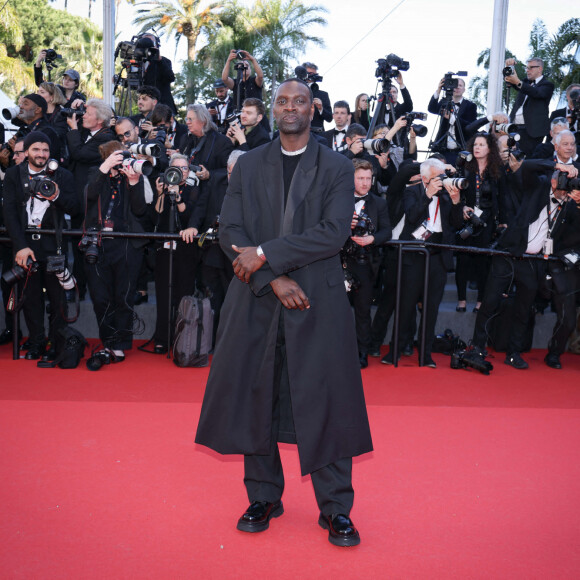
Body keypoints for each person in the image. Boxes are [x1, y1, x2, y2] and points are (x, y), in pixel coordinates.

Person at [194, 78, 372, 547]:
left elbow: (334, 234)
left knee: (327, 398)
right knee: (258, 395)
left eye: (298, 101)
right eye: (281, 101)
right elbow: (229, 229)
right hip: (256, 294)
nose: (290, 108)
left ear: (313, 110)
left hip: (319, 299)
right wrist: (271, 276)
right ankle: (264, 496)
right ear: (272, 110)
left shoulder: (335, 166)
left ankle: (336, 508)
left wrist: (268, 254)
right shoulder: (249, 164)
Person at [2, 132, 80, 360]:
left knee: (57, 299)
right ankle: (36, 341)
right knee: (30, 297)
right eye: (36, 149)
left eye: (45, 150)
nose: (41, 154)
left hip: (53, 246)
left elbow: (75, 208)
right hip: (25, 246)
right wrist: (20, 246)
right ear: (26, 152)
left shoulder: (62, 175)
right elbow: (10, 215)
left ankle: (57, 343)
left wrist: (55, 196)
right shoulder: (13, 175)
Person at [382, 158, 463, 367]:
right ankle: (395, 352)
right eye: (438, 177)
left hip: (437, 257)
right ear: (425, 178)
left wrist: (456, 201)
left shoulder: (446, 194)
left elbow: (456, 223)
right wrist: (428, 195)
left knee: (431, 310)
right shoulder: (412, 192)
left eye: (443, 177)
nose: (442, 181)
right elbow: (412, 217)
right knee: (405, 307)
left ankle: (425, 355)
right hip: (413, 256)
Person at [83, 140, 148, 363]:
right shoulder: (96, 174)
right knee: (101, 297)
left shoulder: (131, 176)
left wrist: (134, 181)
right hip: (98, 242)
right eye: (116, 156)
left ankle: (119, 344)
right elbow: (88, 196)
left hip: (126, 244)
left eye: (124, 155)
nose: (122, 160)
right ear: (106, 157)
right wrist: (105, 168)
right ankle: (108, 339)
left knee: (124, 296)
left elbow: (140, 210)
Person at [150, 154, 207, 353]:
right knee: (163, 294)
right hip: (164, 249)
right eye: (177, 167)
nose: (181, 171)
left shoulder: (194, 190)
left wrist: (178, 196)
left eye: (185, 168)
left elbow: (191, 217)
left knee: (183, 294)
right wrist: (161, 194)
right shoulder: (162, 187)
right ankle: (162, 338)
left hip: (186, 250)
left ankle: (181, 338)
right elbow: (156, 217)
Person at [343, 159, 391, 368]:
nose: (364, 183)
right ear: (351, 178)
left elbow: (386, 231)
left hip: (366, 264)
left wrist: (373, 239)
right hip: (340, 263)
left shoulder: (379, 203)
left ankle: (362, 352)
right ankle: (336, 351)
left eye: (368, 178)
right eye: (360, 178)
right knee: (337, 311)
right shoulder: (339, 200)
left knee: (363, 311)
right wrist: (345, 225)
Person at [455, 133, 506, 313]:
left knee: (482, 262)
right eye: (475, 144)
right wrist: (461, 208)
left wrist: (502, 222)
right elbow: (455, 191)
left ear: (489, 148)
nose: (477, 147)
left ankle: (480, 301)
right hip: (465, 219)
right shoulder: (464, 167)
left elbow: (502, 198)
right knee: (462, 260)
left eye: (481, 144)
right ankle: (461, 300)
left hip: (486, 222)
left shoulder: (497, 170)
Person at [505, 57, 555, 156]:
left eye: (531, 68)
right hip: (515, 127)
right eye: (527, 68)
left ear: (540, 69)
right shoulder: (525, 82)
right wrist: (509, 66)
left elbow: (536, 93)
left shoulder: (547, 85)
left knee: (526, 160)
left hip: (532, 131)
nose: (527, 70)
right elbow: (512, 81)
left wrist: (518, 82)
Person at [428, 77, 477, 164]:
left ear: (464, 89)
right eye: (455, 85)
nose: (457, 88)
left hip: (461, 149)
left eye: (460, 85)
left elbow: (471, 126)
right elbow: (432, 108)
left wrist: (452, 118)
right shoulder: (444, 102)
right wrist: (439, 89)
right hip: (443, 149)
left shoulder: (470, 105)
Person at [138, 33, 177, 113]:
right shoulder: (138, 63)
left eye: (151, 42)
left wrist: (159, 60)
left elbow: (170, 77)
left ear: (157, 44)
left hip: (164, 108)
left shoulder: (164, 61)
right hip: (146, 108)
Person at [301, 62, 332, 130]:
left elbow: (329, 118)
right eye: (310, 74)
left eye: (315, 74)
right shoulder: (294, 93)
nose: (312, 77)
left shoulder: (323, 95)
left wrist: (321, 108)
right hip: (297, 134)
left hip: (317, 135)